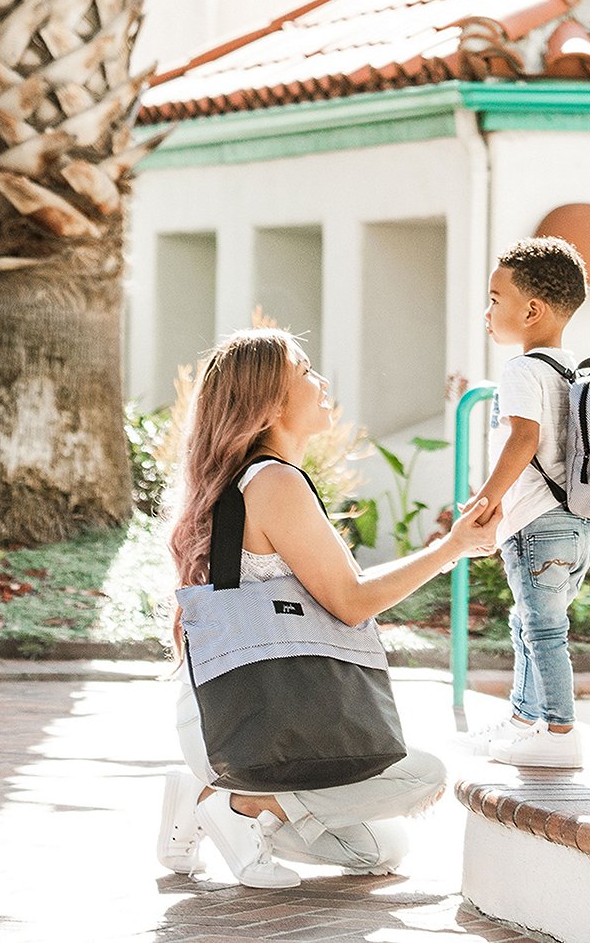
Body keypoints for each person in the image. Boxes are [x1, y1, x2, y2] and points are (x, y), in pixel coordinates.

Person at [157, 327, 500, 889]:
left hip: (228, 716)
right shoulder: (273, 482)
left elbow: (349, 585)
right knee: (424, 776)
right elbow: (351, 601)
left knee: (379, 849)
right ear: (270, 404)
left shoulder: (246, 481)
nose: (320, 383)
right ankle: (239, 807)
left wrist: (450, 549)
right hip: (256, 720)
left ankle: (207, 795)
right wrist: (451, 549)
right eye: (305, 373)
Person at [460, 236, 590, 769]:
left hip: (538, 526)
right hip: (575, 525)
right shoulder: (569, 371)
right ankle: (522, 720)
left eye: (495, 298)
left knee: (542, 630)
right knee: (528, 622)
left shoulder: (521, 371)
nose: (487, 311)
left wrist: (487, 498)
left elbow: (524, 437)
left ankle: (560, 733)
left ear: (532, 310)